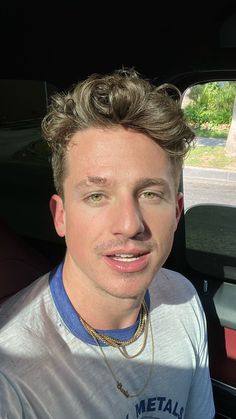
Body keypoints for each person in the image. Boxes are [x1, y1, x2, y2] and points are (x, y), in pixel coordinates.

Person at [0, 68, 215, 419]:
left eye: (149, 193)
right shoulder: (12, 373)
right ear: (61, 215)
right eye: (97, 195)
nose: (129, 225)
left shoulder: (183, 300)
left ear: (177, 212)